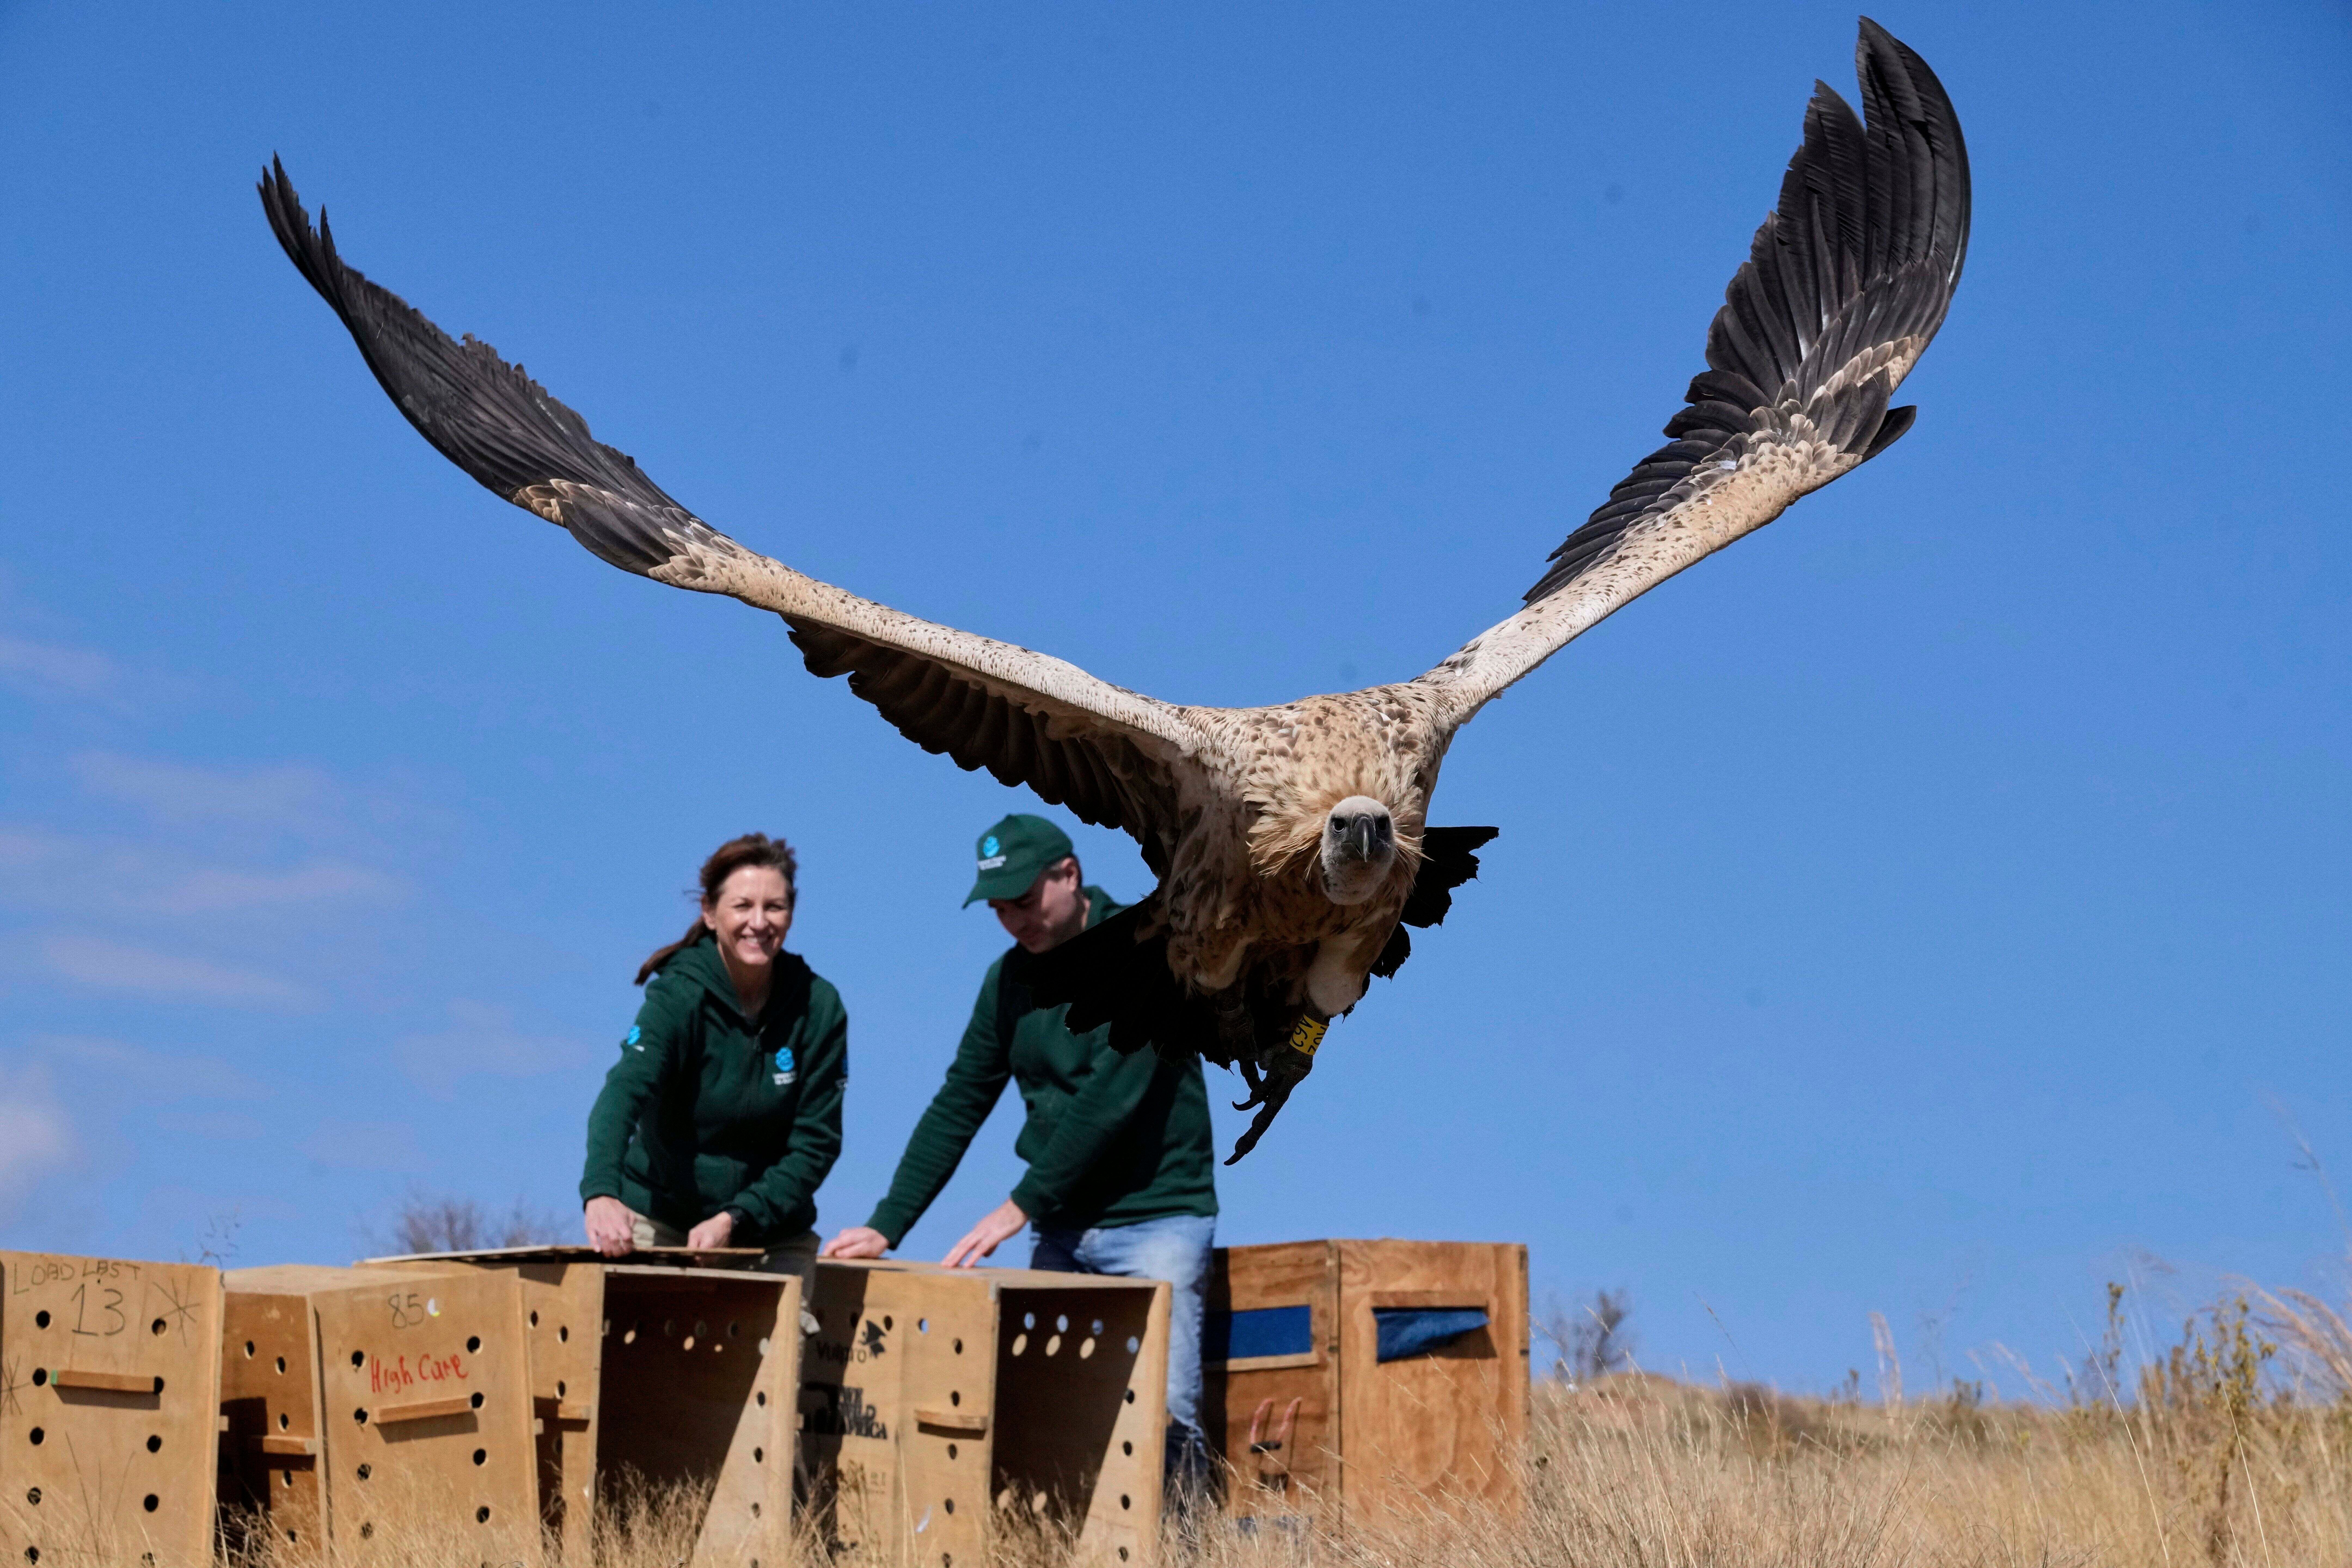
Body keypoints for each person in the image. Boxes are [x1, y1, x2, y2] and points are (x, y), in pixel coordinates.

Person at [823, 813, 1217, 1484]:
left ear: (1069, 874)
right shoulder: (1008, 982)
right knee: (1041, 1398)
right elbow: (960, 1102)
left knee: (1166, 1408)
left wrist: (1020, 1206)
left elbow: (1109, 1102)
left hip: (1156, 1217)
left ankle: (1186, 1553)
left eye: (1026, 902)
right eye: (1001, 910)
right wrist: (888, 1224)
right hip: (1065, 1225)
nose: (1016, 922)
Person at [581, 832, 847, 1297]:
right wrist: (601, 1193)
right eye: (743, 906)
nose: (759, 923)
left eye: (775, 907)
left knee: (782, 1358)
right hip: (664, 1219)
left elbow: (816, 1146)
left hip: (771, 1235)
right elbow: (624, 1090)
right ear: (710, 912)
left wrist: (737, 1217)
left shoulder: (819, 1007)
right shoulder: (679, 997)